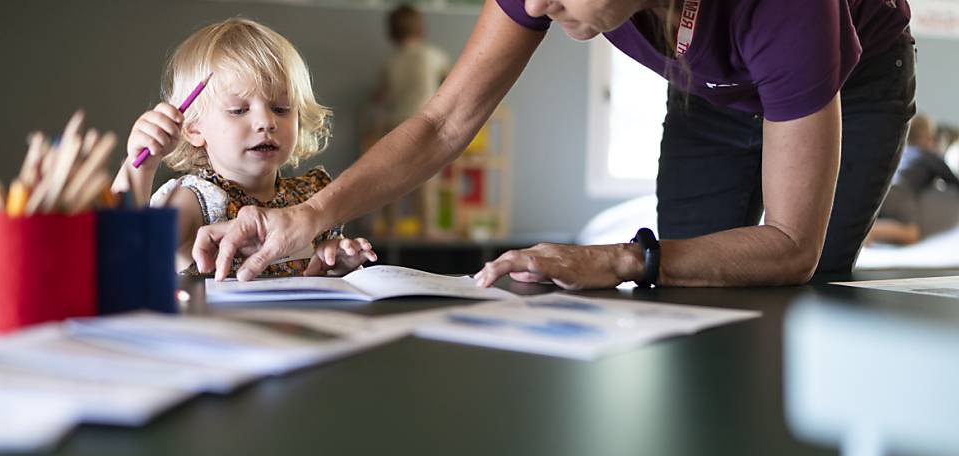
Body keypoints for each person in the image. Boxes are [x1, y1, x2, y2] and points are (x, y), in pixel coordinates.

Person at [190, 0, 914, 289]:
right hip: (708, 87)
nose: (535, 5)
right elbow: (443, 123)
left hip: (849, 87)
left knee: (800, 289)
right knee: (687, 297)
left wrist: (616, 258)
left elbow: (789, 243)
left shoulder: (789, 9)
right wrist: (308, 215)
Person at [113, 17, 376, 277]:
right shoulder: (195, 201)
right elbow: (125, 251)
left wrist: (335, 262)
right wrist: (141, 168)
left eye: (281, 108)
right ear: (193, 129)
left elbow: (319, 272)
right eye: (238, 110)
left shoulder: (310, 199)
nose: (266, 122)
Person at [368, 4, 452, 236]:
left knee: (392, 179)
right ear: (422, 29)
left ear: (391, 34)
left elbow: (379, 96)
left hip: (395, 125)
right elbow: (450, 86)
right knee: (426, 178)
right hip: (424, 123)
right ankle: (428, 228)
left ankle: (390, 227)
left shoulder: (390, 62)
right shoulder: (434, 56)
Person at [869, 113, 959, 245]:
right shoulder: (927, 156)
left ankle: (872, 226)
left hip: (884, 188)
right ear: (929, 140)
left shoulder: (902, 152)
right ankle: (872, 231)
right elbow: (951, 178)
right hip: (902, 190)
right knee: (912, 234)